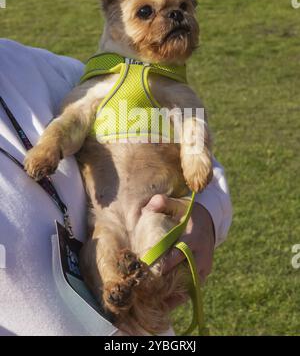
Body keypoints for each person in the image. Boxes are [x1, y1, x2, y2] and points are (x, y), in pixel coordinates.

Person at [0, 39, 232, 336]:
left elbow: (197, 155)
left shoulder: (60, 71)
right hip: (105, 237)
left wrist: (207, 212)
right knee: (102, 253)